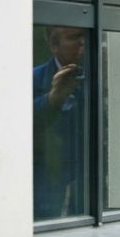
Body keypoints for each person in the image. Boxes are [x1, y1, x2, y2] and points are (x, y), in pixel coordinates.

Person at [33, 26, 87, 221]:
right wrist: (53, 99)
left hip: (86, 178)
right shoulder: (33, 79)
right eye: (74, 37)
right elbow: (19, 124)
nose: (82, 43)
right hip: (47, 180)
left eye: (85, 36)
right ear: (53, 45)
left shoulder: (101, 74)